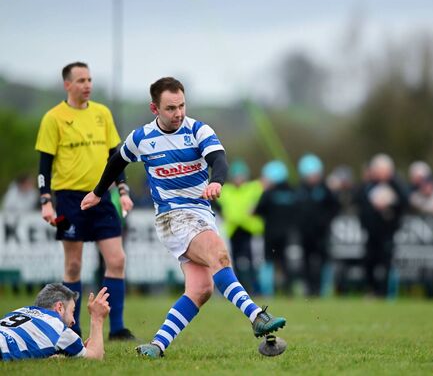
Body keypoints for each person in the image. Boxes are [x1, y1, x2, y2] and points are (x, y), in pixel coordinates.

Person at [80, 77, 286, 358]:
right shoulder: (142, 138)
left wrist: (217, 181)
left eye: (181, 106)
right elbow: (117, 160)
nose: (178, 113)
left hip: (201, 215)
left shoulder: (198, 130)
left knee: (201, 289)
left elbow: (219, 160)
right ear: (155, 109)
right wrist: (98, 192)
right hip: (172, 217)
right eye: (170, 108)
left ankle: (157, 346)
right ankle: (256, 317)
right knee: (219, 256)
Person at [34, 62, 135, 340]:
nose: (87, 85)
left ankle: (117, 328)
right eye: (80, 80)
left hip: (101, 197)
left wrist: (123, 190)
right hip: (68, 201)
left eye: (89, 79)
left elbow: (117, 157)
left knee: (117, 259)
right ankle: (72, 328)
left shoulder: (102, 113)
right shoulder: (53, 118)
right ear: (67, 85)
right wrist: (45, 200)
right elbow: (44, 165)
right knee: (74, 265)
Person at [0, 283, 110, 361]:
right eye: (72, 312)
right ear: (60, 307)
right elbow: (95, 357)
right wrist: (97, 318)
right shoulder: (58, 328)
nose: (73, 321)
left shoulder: (19, 311)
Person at [355, 153, 407, 297]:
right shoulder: (368, 186)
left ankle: (385, 292)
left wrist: (389, 204)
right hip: (371, 232)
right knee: (369, 262)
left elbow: (404, 201)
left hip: (388, 232)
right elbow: (359, 201)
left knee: (386, 263)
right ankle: (372, 290)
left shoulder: (396, 185)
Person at [217, 159, 264, 293]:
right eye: (236, 176)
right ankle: (242, 289)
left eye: (241, 175)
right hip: (233, 231)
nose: (239, 179)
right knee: (235, 263)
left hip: (250, 230)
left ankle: (256, 289)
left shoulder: (254, 188)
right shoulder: (226, 191)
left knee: (254, 262)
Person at [295, 154, 339, 296]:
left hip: (322, 233)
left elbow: (334, 207)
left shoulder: (325, 189)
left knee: (322, 260)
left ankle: (323, 289)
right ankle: (309, 289)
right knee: (306, 262)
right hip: (305, 233)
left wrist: (325, 221)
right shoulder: (300, 190)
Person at [254, 160, 297, 297]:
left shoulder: (268, 193)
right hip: (287, 234)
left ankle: (268, 291)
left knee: (269, 262)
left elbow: (257, 211)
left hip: (270, 233)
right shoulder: (292, 192)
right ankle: (288, 290)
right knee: (285, 262)